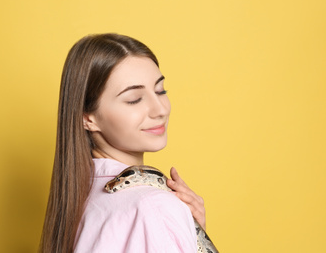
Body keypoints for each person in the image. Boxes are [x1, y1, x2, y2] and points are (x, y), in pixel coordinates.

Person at [39, 33, 207, 253]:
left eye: (160, 90)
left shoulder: (76, 196)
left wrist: (194, 233)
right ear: (88, 118)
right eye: (134, 99)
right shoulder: (154, 206)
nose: (161, 109)